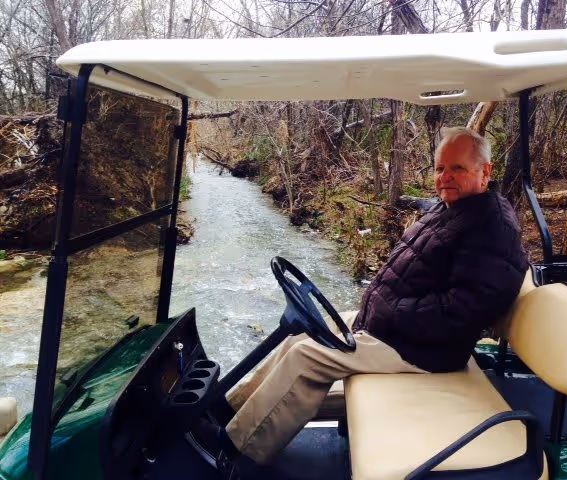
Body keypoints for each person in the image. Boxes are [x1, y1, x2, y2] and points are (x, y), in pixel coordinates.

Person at [187, 126, 529, 478]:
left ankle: (235, 451)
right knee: (297, 337)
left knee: (308, 358)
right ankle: (227, 412)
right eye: (440, 169)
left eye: (457, 168)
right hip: (398, 330)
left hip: (426, 349)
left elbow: (461, 311)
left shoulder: (491, 227)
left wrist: (392, 313)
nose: (445, 178)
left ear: (485, 171)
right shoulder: (456, 208)